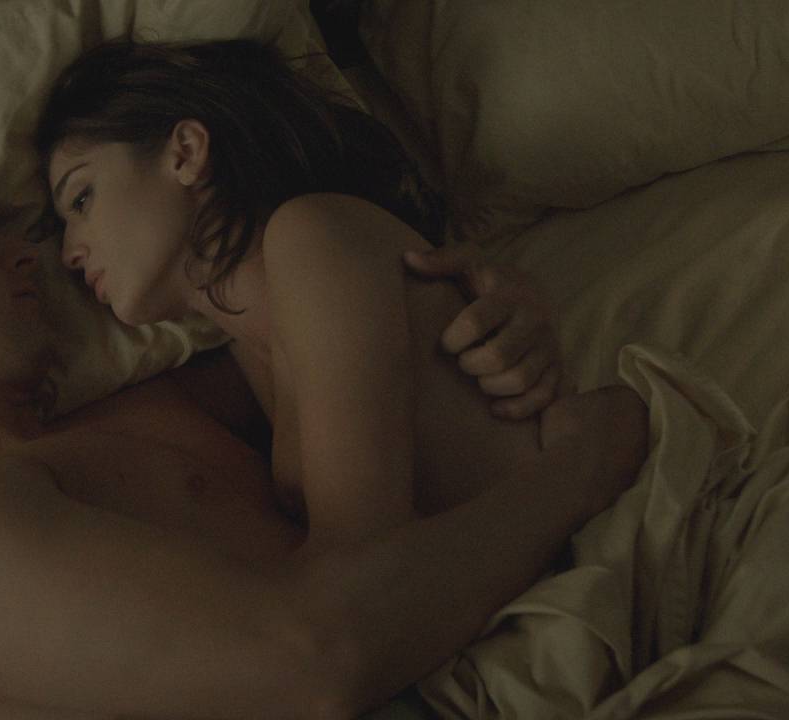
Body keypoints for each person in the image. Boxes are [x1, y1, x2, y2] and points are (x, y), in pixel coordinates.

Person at [0, 39, 647, 720]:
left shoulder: (157, 408)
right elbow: (316, 665)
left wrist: (494, 297)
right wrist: (579, 468)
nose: (29, 254)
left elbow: (355, 325)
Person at [37, 39, 642, 550]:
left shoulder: (311, 236)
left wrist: (580, 464)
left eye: (82, 198)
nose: (68, 253)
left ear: (186, 153)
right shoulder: (244, 346)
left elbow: (362, 568)